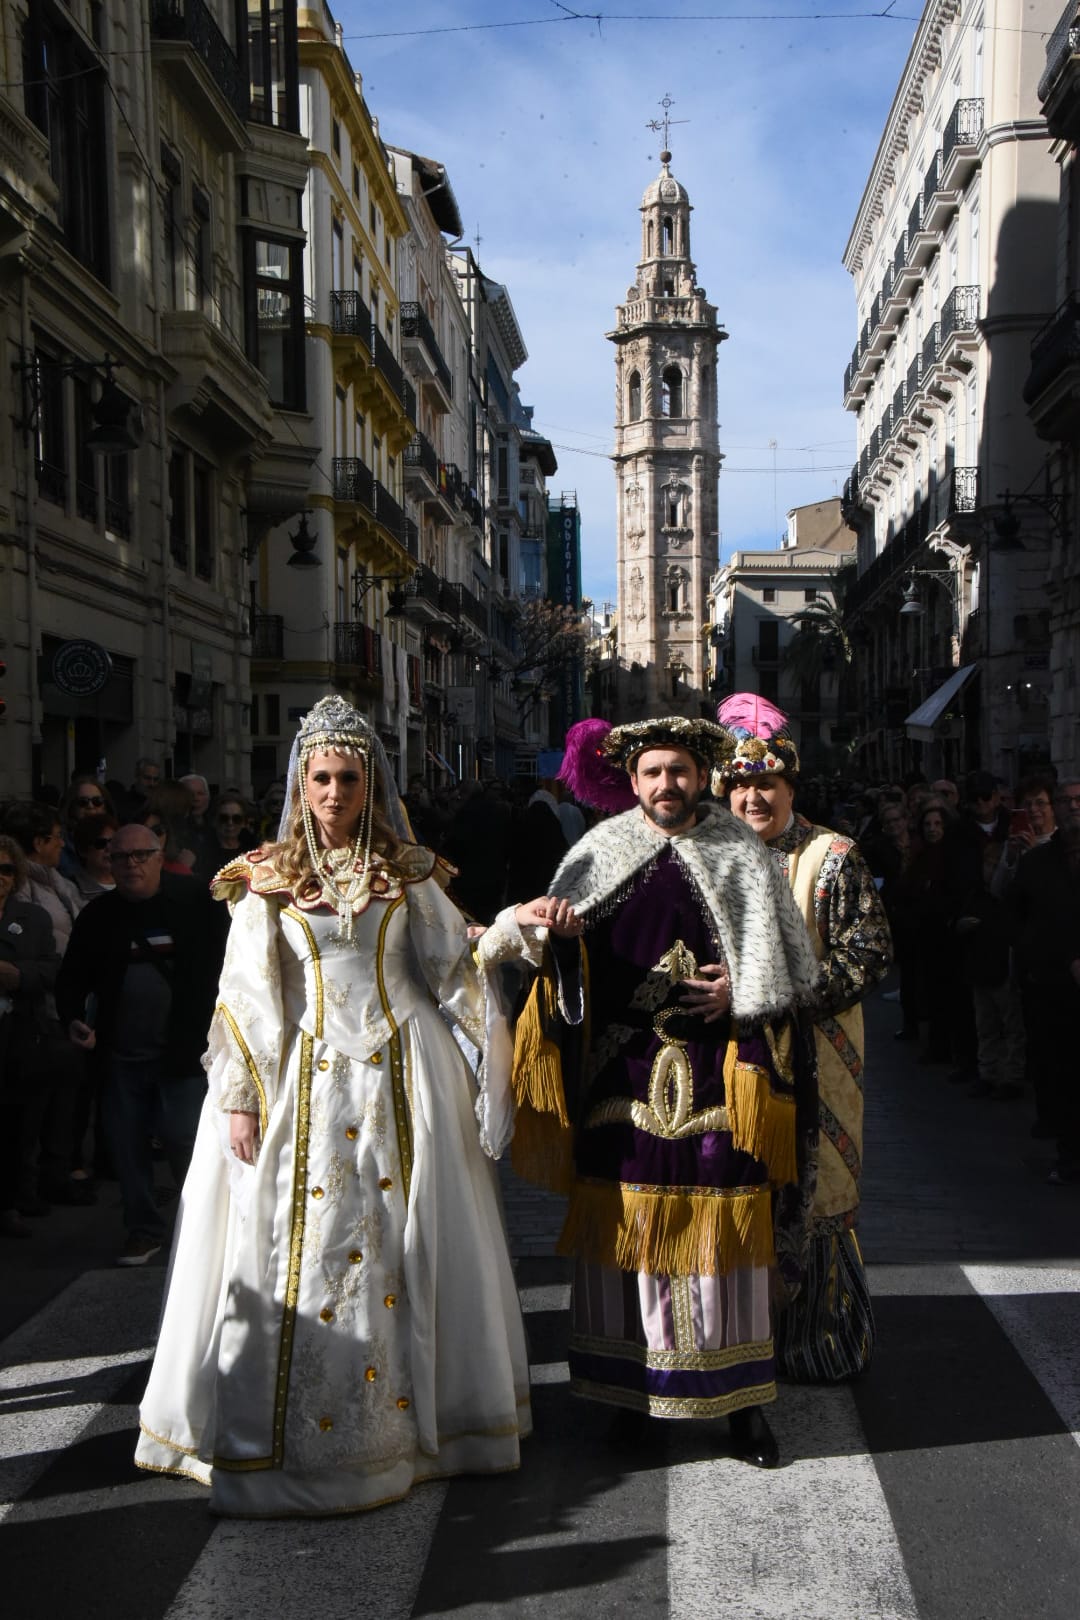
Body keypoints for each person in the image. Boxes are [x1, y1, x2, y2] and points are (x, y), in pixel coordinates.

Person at [134, 695, 533, 1515]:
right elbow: (246, 993)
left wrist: (511, 934)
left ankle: (415, 1434)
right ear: (301, 782)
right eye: (321, 778)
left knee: (404, 1239)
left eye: (349, 778)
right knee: (295, 1239)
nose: (335, 793)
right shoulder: (266, 877)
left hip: (403, 1071)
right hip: (301, 1075)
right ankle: (287, 1444)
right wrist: (240, 1097)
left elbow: (450, 965)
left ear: (370, 782)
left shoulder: (408, 870)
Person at [504, 716, 821, 1468]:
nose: (666, 784)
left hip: (723, 1070)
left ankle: (741, 1405)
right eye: (652, 772)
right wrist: (561, 941)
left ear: (701, 776)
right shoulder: (598, 851)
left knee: (729, 1239)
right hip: (622, 1073)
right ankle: (630, 1400)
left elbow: (793, 968)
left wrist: (742, 991)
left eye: (678, 770)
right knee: (627, 1237)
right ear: (633, 780)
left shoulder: (740, 851)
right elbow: (558, 967)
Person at [714, 695, 892, 1383]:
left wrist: (781, 994)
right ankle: (740, 1336)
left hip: (818, 1058)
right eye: (740, 786)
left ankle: (819, 1336)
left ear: (791, 787)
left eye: (767, 784)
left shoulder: (833, 857)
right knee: (740, 1187)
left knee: (817, 1193)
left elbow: (868, 953)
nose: (753, 798)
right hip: (732, 1062)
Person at [56, 823, 227, 1263]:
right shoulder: (98, 916)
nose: (130, 865)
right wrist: (73, 1017)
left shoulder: (196, 904)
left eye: (140, 856)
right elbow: (72, 977)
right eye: (120, 857)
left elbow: (228, 968)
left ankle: (203, 1232)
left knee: (185, 1141)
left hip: (185, 1054)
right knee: (127, 1147)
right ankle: (144, 1230)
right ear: (110, 863)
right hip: (121, 1055)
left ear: (158, 857)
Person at [1006, 778, 1080, 1182]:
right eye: (1066, 801)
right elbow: (1020, 918)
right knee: (1062, 1071)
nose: (1073, 807)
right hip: (1053, 986)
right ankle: (1070, 1154)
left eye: (1078, 800)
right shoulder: (1037, 862)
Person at [0, 834, 60, 1237]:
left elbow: (53, 968)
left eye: (6, 869)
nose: (0, 877)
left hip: (19, 1034)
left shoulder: (33, 918)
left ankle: (10, 1203)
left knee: (15, 1123)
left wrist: (20, 975)